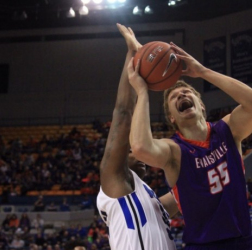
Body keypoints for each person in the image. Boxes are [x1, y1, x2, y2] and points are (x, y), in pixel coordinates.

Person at [127, 41, 252, 249]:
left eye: (186, 92)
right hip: (202, 245)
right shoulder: (174, 151)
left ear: (201, 105)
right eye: (174, 97)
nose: (181, 95)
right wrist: (142, 92)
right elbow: (139, 147)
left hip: (242, 241)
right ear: (171, 118)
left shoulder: (227, 130)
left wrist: (202, 71)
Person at [96, 24, 177, 250]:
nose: (137, 154)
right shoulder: (114, 180)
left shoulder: (148, 199)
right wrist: (133, 56)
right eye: (130, 150)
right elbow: (123, 112)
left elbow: (183, 194)